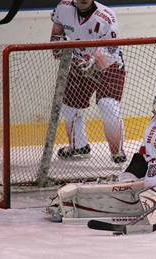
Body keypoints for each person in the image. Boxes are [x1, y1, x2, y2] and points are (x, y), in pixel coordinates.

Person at [50, 0, 127, 163]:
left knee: (108, 105)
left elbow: (111, 50)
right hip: (79, 63)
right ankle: (79, 146)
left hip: (109, 66)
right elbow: (58, 25)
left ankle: (117, 151)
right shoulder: (63, 7)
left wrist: (94, 63)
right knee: (69, 107)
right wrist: (56, 43)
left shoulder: (106, 17)